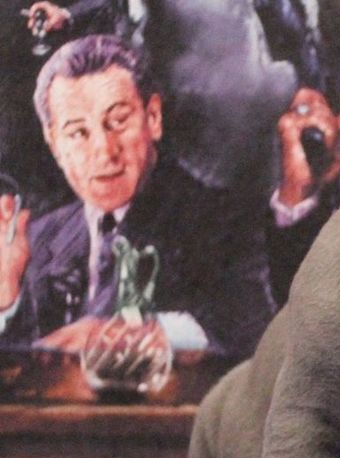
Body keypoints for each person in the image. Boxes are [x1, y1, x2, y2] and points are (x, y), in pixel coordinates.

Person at [0, 34, 278, 358]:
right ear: (54, 144)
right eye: (78, 133)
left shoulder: (224, 221)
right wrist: (7, 301)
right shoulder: (37, 239)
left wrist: (135, 334)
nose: (104, 151)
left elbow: (255, 342)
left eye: (118, 121)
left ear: (153, 118)